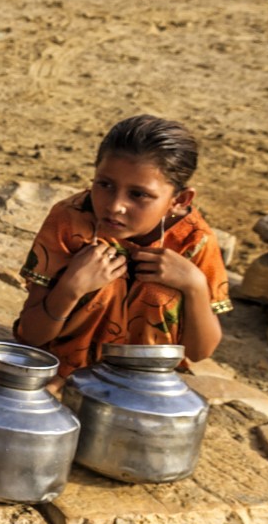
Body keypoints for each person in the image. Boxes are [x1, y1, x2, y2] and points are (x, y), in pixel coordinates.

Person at [13, 115, 229, 379]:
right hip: (63, 373)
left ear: (180, 200)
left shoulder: (194, 241)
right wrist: (71, 289)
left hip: (145, 384)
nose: (115, 206)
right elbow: (30, 335)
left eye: (138, 194)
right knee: (100, 279)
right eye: (104, 185)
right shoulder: (70, 220)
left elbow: (199, 352)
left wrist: (194, 285)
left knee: (159, 289)